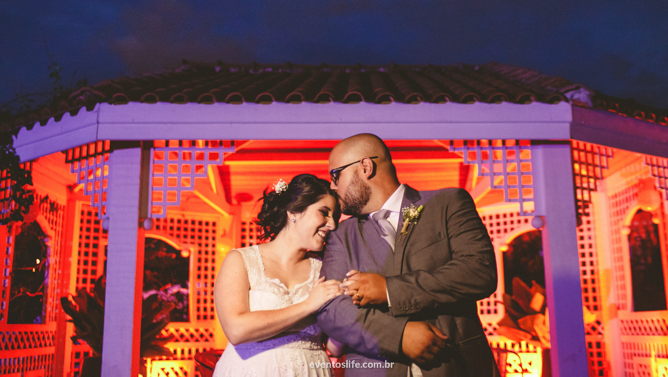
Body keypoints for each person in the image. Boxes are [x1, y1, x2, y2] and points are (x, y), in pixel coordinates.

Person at [317, 134, 498, 376]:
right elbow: (334, 310)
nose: (332, 186)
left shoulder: (448, 204)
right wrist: (400, 336)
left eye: (336, 175)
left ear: (365, 167)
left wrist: (390, 291)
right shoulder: (342, 235)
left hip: (456, 365)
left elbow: (478, 271)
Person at [213, 174, 344, 377]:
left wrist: (350, 303)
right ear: (294, 211)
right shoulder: (241, 260)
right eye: (324, 213)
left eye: (335, 217)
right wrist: (308, 305)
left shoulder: (325, 269)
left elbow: (335, 348)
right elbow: (236, 330)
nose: (332, 225)